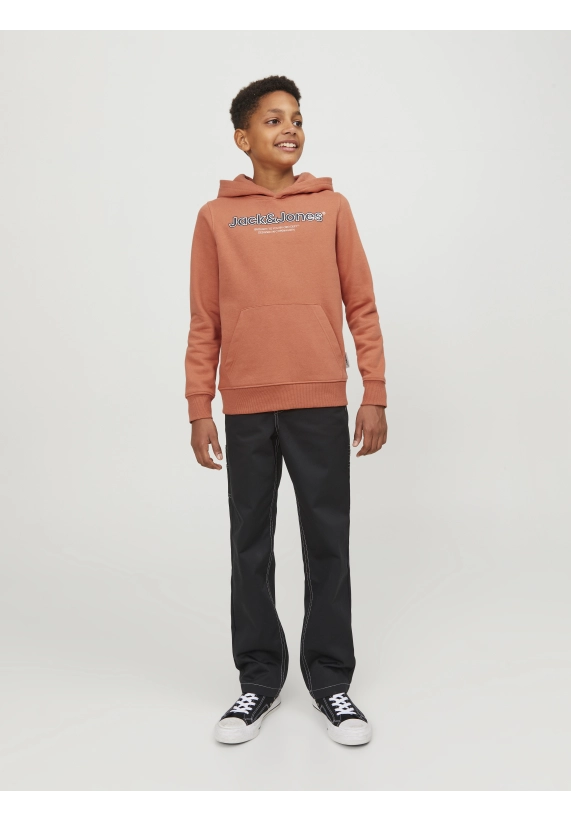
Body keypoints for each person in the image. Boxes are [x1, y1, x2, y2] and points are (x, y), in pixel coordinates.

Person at [184, 75, 388, 746]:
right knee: (250, 545)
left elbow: (361, 304)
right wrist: (199, 405)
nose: (289, 128)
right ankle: (259, 678)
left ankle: (329, 680)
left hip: (320, 401)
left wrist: (374, 392)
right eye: (272, 120)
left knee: (327, 543)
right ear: (242, 138)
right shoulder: (216, 218)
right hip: (246, 406)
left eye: (296, 117)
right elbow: (204, 320)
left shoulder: (331, 208)